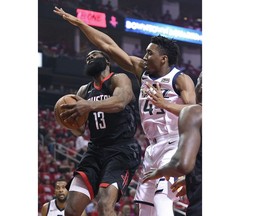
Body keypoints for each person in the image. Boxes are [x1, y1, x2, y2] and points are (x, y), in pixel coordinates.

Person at [53, 7, 196, 216]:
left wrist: (165, 104)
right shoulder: (142, 71)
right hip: (152, 148)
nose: (144, 56)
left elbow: (194, 112)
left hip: (174, 143)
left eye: (149, 53)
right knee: (144, 206)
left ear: (163, 58)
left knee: (161, 198)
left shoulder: (180, 79)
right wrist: (81, 24)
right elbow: (108, 46)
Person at [54, 48, 141, 216]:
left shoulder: (118, 79)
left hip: (121, 149)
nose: (90, 57)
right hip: (95, 150)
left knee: (104, 204)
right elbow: (79, 131)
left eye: (94, 55)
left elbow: (120, 102)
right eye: (87, 57)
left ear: (106, 61)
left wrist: (89, 105)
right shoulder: (83, 91)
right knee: (71, 210)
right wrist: (68, 121)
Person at [143, 72, 202, 216]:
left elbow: (183, 164)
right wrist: (189, 179)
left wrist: (160, 171)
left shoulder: (194, 112)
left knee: (160, 199)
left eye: (198, 82)